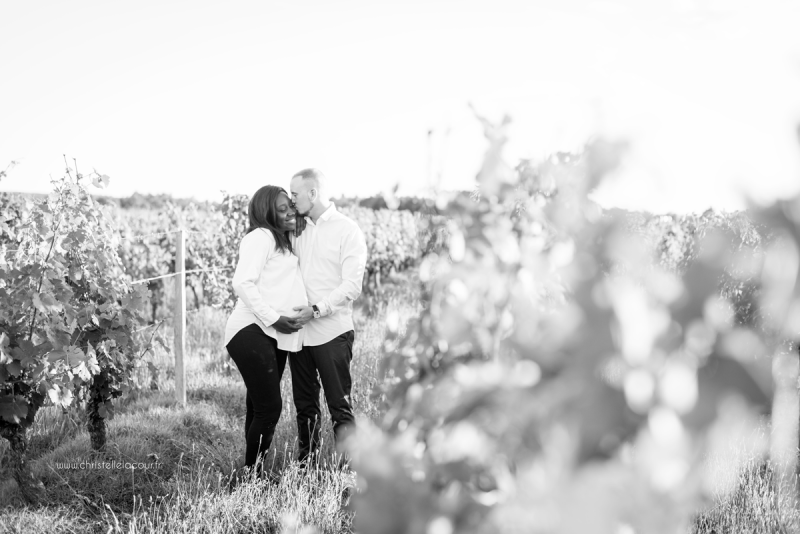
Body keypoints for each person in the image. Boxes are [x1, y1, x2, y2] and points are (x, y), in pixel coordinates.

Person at [224, 185, 306, 478]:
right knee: (270, 407)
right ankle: (252, 475)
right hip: (251, 328)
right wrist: (274, 318)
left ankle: (250, 474)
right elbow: (242, 283)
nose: (289, 213)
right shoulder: (260, 237)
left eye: (290, 207)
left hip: (272, 333)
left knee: (258, 406)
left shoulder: (283, 239)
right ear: (266, 212)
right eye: (281, 208)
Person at [288, 168, 368, 466]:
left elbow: (352, 286)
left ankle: (349, 473)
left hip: (332, 331)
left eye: (295, 194)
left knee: (339, 405)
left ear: (313, 193)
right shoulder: (297, 229)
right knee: (305, 407)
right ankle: (306, 467)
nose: (292, 199)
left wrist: (317, 310)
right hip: (300, 334)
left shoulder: (348, 230)